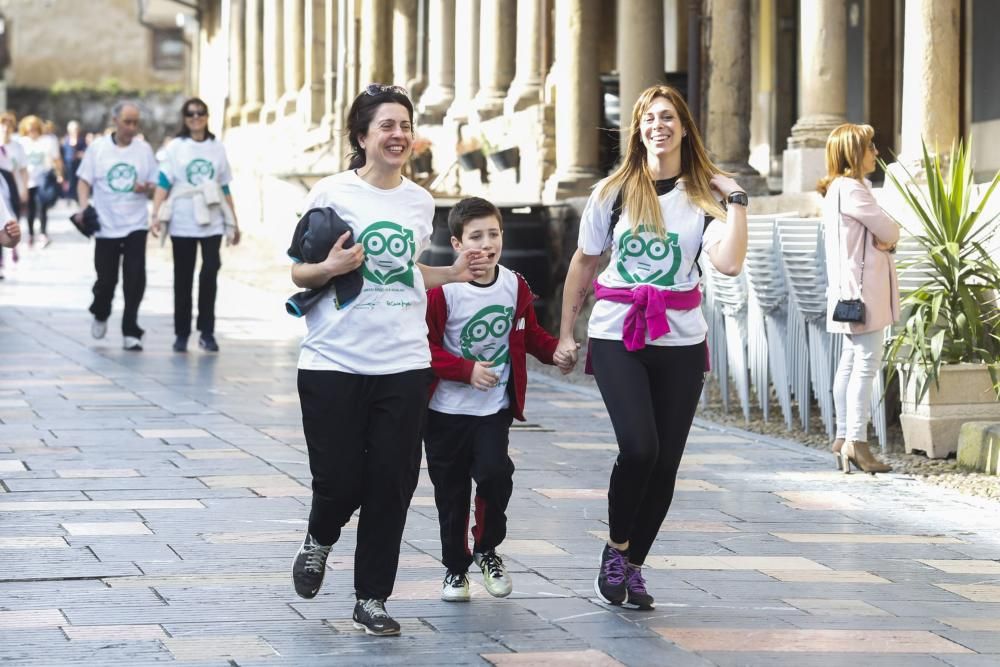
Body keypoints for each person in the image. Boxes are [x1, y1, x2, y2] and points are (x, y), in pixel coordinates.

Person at [287, 83, 488, 636]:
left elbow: (407, 269)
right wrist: (329, 267)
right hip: (333, 361)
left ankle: (372, 596)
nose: (398, 135)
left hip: (403, 363)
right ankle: (320, 536)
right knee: (340, 482)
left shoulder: (420, 202)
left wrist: (451, 273)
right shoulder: (330, 193)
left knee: (392, 484)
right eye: (386, 126)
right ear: (362, 135)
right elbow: (301, 273)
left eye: (405, 126)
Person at [556, 84, 748, 610]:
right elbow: (584, 263)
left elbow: (728, 263)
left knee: (665, 464)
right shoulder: (613, 191)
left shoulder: (704, 200)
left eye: (668, 117)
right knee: (640, 447)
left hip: (681, 339)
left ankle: (633, 564)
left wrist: (736, 201)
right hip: (619, 331)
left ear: (684, 128)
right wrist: (567, 331)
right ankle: (615, 550)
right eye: (648, 119)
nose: (658, 125)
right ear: (638, 131)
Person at [424, 197, 574, 603]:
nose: (486, 244)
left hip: (492, 409)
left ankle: (487, 548)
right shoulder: (443, 292)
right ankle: (455, 569)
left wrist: (554, 351)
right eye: (475, 237)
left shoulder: (514, 284)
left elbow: (530, 334)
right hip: (445, 413)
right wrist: (465, 369)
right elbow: (425, 349)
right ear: (456, 243)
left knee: (494, 474)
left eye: (493, 234)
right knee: (451, 493)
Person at [818, 123, 899, 474]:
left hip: (846, 290)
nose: (876, 153)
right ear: (854, 153)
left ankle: (842, 437)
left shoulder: (837, 189)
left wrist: (882, 237)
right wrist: (887, 239)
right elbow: (890, 230)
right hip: (864, 292)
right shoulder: (854, 190)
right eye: (870, 147)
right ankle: (857, 442)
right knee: (865, 364)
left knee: (850, 363)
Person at [151, 98, 241, 353]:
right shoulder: (176, 147)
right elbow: (163, 182)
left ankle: (207, 331)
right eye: (190, 114)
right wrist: (155, 213)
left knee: (210, 272)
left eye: (200, 113)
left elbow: (224, 185)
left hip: (211, 215)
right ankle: (181, 333)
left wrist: (233, 221)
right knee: (183, 276)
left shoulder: (216, 147)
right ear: (184, 118)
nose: (195, 117)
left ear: (206, 116)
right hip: (183, 217)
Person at [77, 101, 158, 351]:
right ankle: (101, 311)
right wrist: (83, 208)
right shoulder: (98, 149)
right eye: (127, 122)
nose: (132, 127)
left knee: (135, 277)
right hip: (106, 224)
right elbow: (83, 181)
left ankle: (130, 329)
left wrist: (146, 188)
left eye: (136, 122)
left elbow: (155, 183)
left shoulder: (143, 149)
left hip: (135, 223)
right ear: (115, 120)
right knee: (106, 280)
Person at [18, 115, 63, 247]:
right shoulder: (22, 142)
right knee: (30, 208)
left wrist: (60, 174)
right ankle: (31, 234)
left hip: (43, 179)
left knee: (42, 207)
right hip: (28, 180)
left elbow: (56, 158)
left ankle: (43, 233)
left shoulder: (48, 141)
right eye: (30, 129)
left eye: (35, 129)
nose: (32, 131)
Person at [0, 112, 28, 277]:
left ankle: (13, 247)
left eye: (8, 125)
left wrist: (24, 189)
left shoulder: (17, 147)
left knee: (10, 222)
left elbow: (23, 170)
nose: (5, 128)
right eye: (2, 124)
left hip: (11, 187)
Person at [61, 120, 87, 202]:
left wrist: (80, 154)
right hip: (68, 164)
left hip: (78, 163)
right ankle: (69, 196)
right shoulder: (66, 140)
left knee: (77, 180)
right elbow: (63, 152)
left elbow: (85, 151)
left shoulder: (81, 140)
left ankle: (77, 196)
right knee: (69, 180)